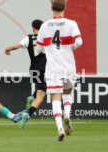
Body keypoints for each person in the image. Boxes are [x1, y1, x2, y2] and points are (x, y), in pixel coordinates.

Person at [34, 0, 83, 141]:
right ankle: (67, 113)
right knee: (68, 92)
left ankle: (60, 128)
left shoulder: (44, 26)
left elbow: (38, 48)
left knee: (55, 97)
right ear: (65, 7)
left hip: (53, 68)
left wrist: (49, 49)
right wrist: (68, 47)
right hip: (68, 67)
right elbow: (79, 42)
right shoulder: (71, 23)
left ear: (51, 7)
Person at [5, 19, 47, 129]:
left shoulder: (28, 38)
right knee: (41, 96)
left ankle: (31, 98)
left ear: (33, 28)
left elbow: (17, 46)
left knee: (41, 90)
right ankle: (27, 114)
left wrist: (8, 49)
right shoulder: (46, 38)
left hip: (33, 69)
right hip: (45, 69)